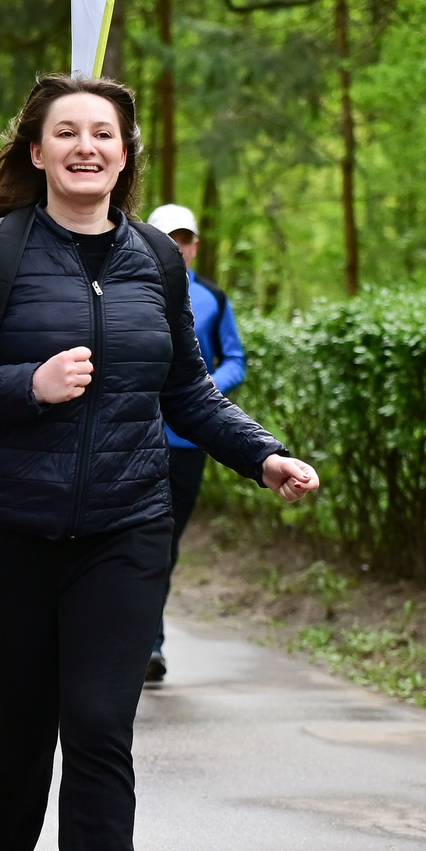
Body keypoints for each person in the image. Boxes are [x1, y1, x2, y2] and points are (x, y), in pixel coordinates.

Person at [0, 75, 320, 851]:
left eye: (105, 133)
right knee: (19, 732)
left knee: (99, 726)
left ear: (127, 154)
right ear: (37, 152)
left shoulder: (154, 260)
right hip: (6, 531)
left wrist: (260, 455)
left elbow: (187, 390)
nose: (88, 146)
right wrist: (30, 384)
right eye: (68, 133)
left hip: (125, 528)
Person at [143, 201, 245, 685]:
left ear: (195, 246)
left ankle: (150, 642)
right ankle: (140, 643)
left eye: (183, 240)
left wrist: (201, 392)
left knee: (163, 542)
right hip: (132, 438)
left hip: (186, 442)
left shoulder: (212, 298)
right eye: (167, 238)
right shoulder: (127, 287)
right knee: (135, 540)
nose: (176, 248)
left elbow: (235, 360)